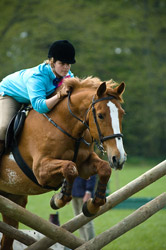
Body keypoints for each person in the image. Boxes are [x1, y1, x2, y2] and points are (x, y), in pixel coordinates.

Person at [0, 40, 76, 159]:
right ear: (52, 62)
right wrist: (59, 96)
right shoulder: (37, 77)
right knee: (3, 127)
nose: (66, 68)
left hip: (29, 95)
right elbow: (39, 106)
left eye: (69, 64)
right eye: (62, 63)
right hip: (11, 94)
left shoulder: (67, 75)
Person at [71, 175, 96, 241]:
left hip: (84, 194)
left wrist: (88, 191)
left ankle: (91, 243)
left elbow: (92, 174)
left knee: (87, 220)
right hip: (73, 193)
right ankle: (83, 242)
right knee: (78, 221)